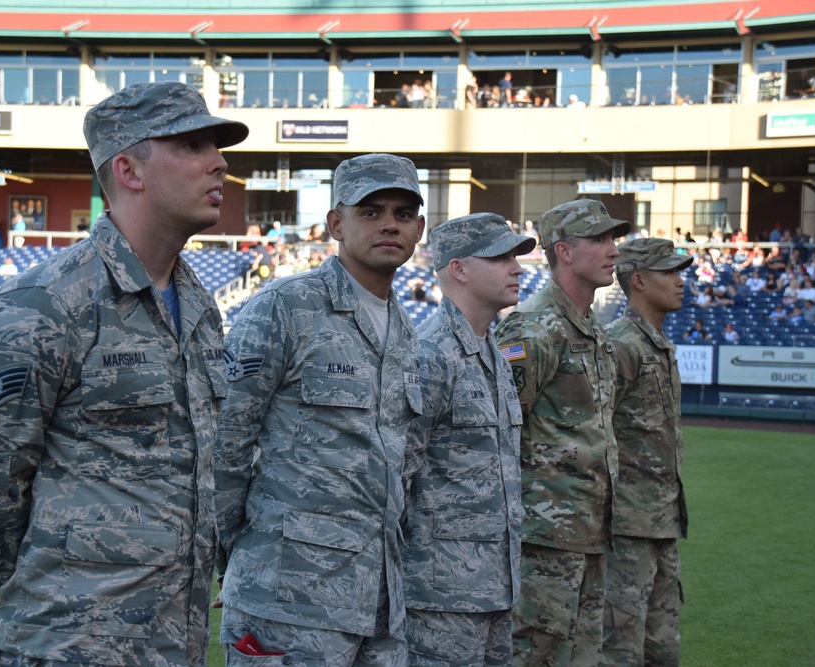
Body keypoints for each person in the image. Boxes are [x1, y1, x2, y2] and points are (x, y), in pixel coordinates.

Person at [0, 80, 249, 667]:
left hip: (175, 644)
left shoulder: (198, 307)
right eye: (194, 146)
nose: (219, 162)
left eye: (216, 147)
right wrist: (31, 604)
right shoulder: (42, 305)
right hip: (66, 645)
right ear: (129, 170)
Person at [214, 153, 426, 665]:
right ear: (335, 223)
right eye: (370, 212)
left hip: (378, 599)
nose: (389, 224)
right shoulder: (285, 307)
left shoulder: (405, 331)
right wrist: (237, 559)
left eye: (402, 213)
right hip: (288, 596)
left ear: (420, 228)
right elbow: (225, 441)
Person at [495, 199, 631, 667]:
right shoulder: (535, 329)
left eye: (613, 238)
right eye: (599, 239)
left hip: (588, 531)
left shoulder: (591, 328)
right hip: (544, 537)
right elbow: (499, 430)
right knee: (535, 654)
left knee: (583, 657)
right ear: (565, 252)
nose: (613, 249)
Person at [403, 213, 535, 666]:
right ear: (459, 269)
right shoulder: (428, 355)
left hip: (494, 589)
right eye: (501, 257)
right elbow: (393, 477)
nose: (517, 268)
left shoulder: (490, 351)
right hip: (439, 596)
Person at [601, 238, 693, 666]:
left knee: (662, 649)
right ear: (638, 280)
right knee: (620, 651)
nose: (681, 281)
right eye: (670, 272)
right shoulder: (621, 345)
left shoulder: (656, 343)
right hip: (626, 527)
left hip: (661, 522)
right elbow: (596, 429)